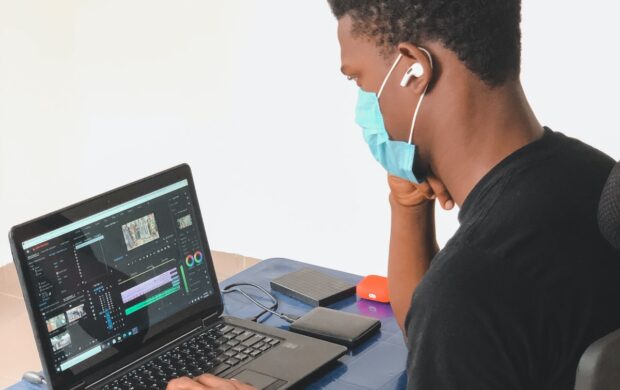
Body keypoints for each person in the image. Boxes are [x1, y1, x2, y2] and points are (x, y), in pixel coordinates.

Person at [168, 1, 620, 389]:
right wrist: (408, 201)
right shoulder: (598, 180)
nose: (364, 104)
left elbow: (451, 318)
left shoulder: (472, 288)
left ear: (414, 69)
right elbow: (435, 336)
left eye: (360, 81)